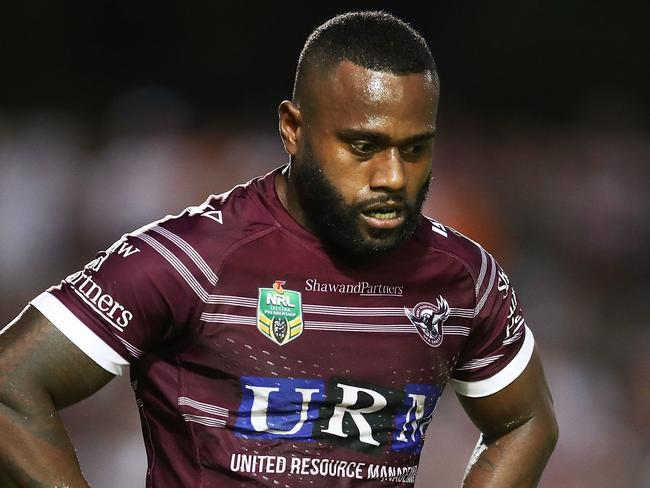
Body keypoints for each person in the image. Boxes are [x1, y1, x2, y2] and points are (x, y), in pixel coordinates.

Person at [0, 10, 557, 488]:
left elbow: (526, 421)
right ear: (293, 127)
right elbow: (10, 387)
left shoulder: (463, 278)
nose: (392, 175)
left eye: (415, 149)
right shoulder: (191, 260)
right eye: (362, 146)